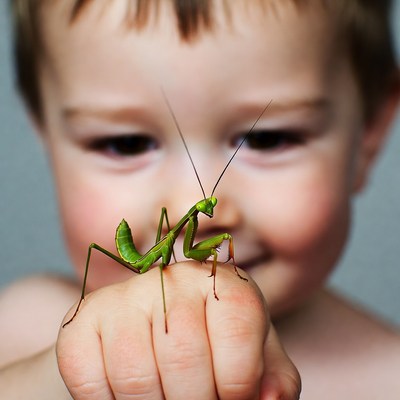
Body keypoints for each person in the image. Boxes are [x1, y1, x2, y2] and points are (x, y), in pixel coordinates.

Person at [1, 0, 399, 398]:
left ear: (370, 133)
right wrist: (66, 374)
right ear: (45, 138)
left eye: (266, 138)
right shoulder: (24, 323)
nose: (201, 208)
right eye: (127, 143)